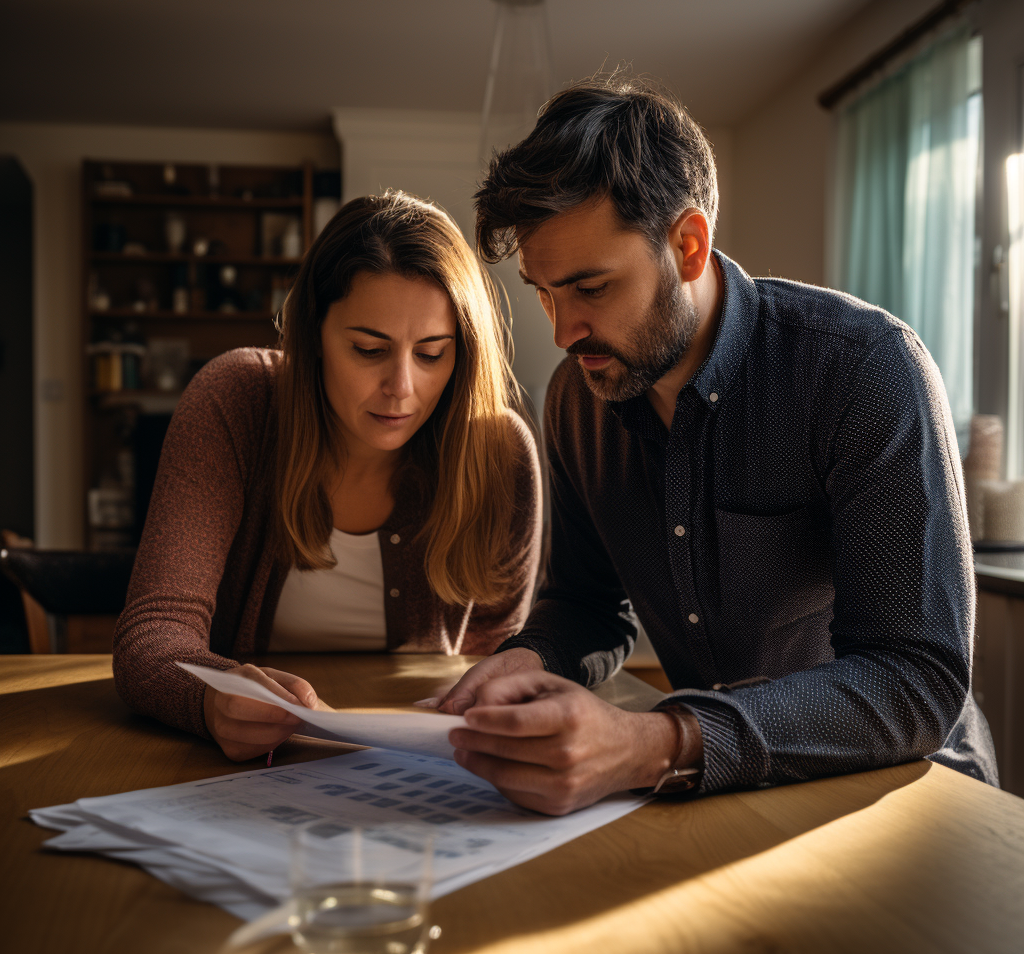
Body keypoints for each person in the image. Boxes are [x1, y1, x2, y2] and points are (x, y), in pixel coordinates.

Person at [433, 76, 997, 815]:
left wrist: (655, 743)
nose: (562, 332)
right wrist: (524, 660)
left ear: (689, 245)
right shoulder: (579, 400)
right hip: (720, 788)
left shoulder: (862, 369)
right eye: (544, 293)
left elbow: (914, 678)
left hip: (912, 797)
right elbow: (586, 603)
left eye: (591, 288)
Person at [114, 191, 542, 761]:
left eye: (432, 354)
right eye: (369, 349)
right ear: (313, 335)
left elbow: (491, 659)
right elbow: (153, 633)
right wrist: (212, 699)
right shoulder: (237, 401)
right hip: (238, 764)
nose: (402, 388)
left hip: (406, 772)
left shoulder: (500, 454)